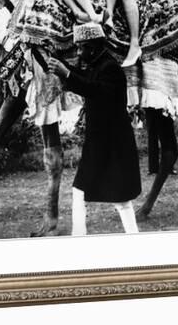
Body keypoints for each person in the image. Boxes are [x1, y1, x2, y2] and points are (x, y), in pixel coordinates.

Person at [48, 22, 141, 235]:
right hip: (103, 143)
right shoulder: (99, 64)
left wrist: (67, 73)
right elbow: (85, 80)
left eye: (81, 48)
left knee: (120, 199)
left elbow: (94, 89)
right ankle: (80, 236)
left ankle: (129, 237)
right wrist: (60, 65)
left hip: (113, 144)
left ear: (92, 47)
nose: (79, 52)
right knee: (82, 191)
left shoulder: (110, 69)